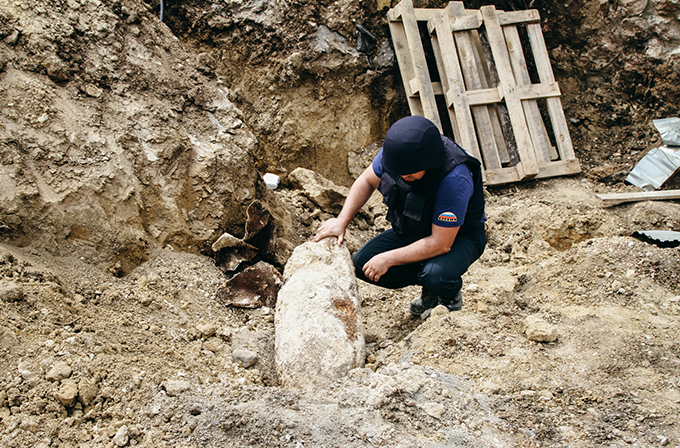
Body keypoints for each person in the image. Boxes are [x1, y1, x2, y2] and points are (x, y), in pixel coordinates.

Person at [314, 115, 487, 318]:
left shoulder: (454, 178)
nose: (403, 176)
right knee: (363, 263)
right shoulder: (398, 156)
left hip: (460, 238)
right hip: (415, 228)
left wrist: (389, 258)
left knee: (436, 275)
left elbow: (441, 244)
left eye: (409, 174)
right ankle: (430, 286)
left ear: (428, 162)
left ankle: (447, 296)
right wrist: (341, 220)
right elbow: (367, 181)